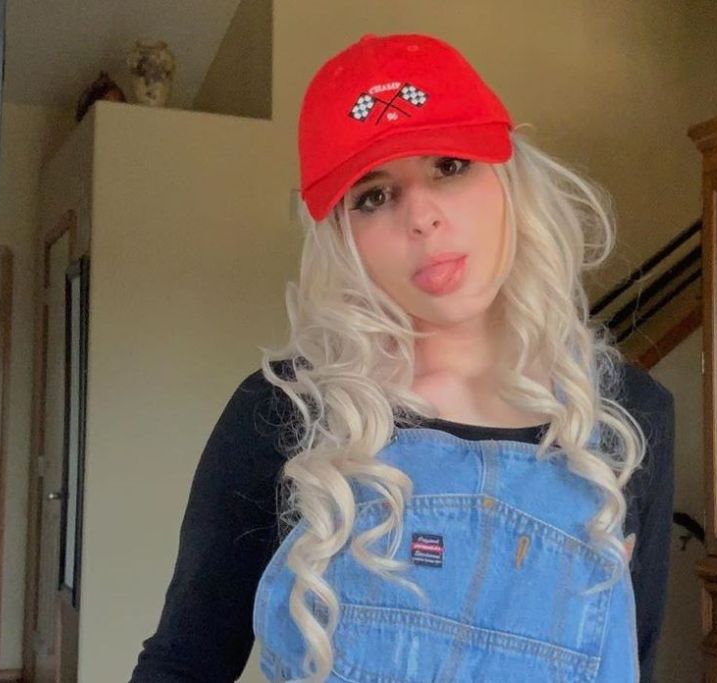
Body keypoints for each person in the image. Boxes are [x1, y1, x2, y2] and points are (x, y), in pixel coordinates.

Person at [130, 32, 674, 683]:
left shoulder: (627, 416)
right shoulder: (281, 414)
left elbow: (632, 660)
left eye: (450, 165)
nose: (422, 217)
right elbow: (183, 663)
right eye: (374, 196)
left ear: (507, 175)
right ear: (341, 237)